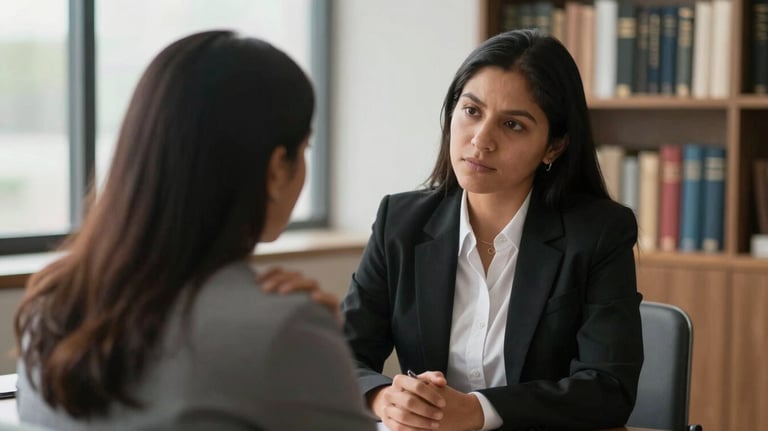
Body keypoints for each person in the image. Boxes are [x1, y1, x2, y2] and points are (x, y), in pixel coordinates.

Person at [14, 30, 374, 431]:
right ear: (275, 170)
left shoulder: (50, 311)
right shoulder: (284, 332)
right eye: (304, 150)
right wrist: (315, 345)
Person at [341, 29, 644, 431]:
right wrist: (383, 399)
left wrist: (478, 410)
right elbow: (344, 356)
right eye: (471, 111)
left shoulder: (599, 233)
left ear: (553, 146)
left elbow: (608, 389)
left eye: (513, 125)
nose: (481, 140)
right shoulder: (400, 222)